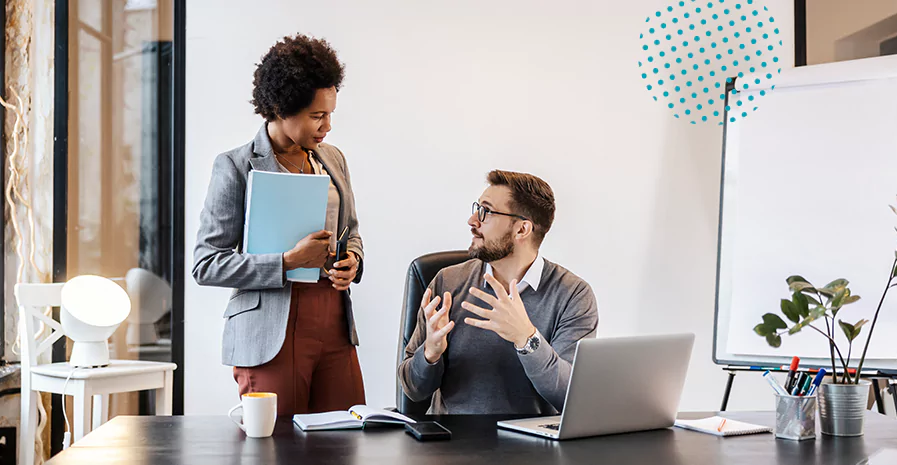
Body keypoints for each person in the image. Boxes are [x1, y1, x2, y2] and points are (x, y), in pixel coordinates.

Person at [193, 34, 365, 415]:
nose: (328, 126)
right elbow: (206, 264)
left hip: (334, 322)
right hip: (271, 329)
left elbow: (350, 230)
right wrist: (287, 261)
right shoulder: (235, 166)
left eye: (330, 114)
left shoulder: (332, 159)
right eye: (317, 116)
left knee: (348, 441)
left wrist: (352, 258)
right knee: (278, 448)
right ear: (279, 108)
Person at [398, 170, 598, 415]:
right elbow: (413, 389)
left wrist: (527, 339)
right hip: (451, 444)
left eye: (486, 211)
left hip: (532, 447)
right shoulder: (447, 282)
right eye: (476, 208)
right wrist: (430, 354)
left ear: (522, 229)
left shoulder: (573, 295)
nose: (472, 221)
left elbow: (569, 397)